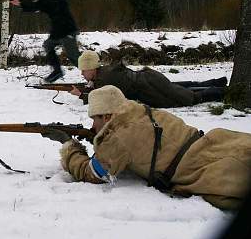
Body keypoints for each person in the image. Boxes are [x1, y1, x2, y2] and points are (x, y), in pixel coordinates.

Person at [41, 85, 251, 210]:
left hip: (203, 169)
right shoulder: (142, 111)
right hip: (217, 142)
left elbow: (90, 173)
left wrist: (68, 144)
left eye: (94, 119)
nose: (93, 125)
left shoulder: (119, 139)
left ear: (106, 116)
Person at [69, 50, 227, 108]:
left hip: (149, 89)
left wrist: (82, 95)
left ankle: (222, 92)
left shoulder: (104, 79)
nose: (82, 74)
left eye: (84, 70)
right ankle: (216, 82)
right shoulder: (103, 72)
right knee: (181, 88)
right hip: (149, 77)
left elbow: (105, 100)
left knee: (189, 98)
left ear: (91, 68)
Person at [10, 0, 80, 83]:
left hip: (67, 31)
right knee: (48, 45)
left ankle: (95, 74)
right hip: (57, 32)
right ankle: (57, 71)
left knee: (74, 58)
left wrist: (28, 3)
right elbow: (39, 5)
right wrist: (20, 3)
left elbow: (43, 5)